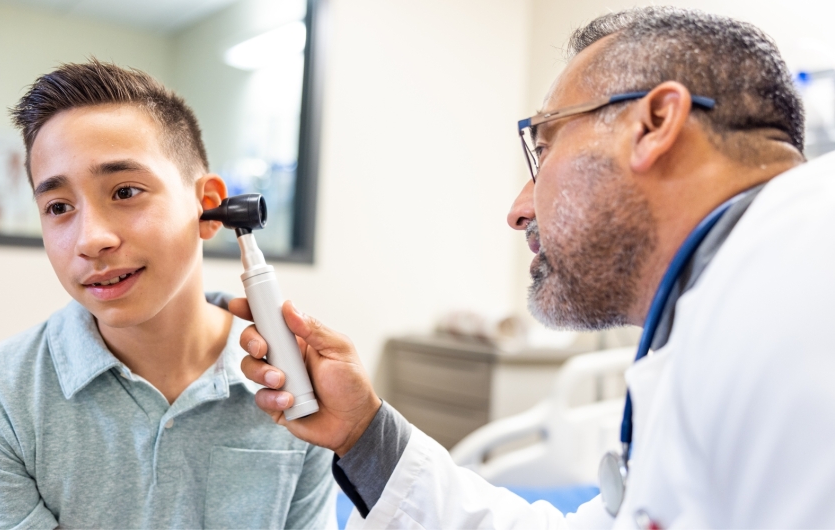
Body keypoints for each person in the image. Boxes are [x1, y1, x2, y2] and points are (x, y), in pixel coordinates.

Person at [235, 6, 835, 528]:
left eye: (543, 148)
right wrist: (363, 433)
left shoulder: (802, 288)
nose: (519, 210)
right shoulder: (731, 302)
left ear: (652, 125)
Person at [0, 60, 336, 528]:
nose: (90, 239)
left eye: (125, 191)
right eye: (58, 207)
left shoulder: (291, 384)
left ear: (208, 206)